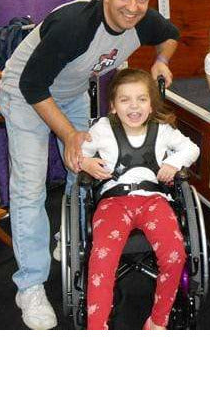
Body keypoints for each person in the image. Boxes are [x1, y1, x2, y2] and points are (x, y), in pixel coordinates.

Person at [0, 0, 180, 330]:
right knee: (30, 189)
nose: (132, 7)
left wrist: (161, 59)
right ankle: (30, 285)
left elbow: (171, 33)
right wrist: (69, 135)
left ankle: (67, 235)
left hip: (72, 93)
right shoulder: (75, 26)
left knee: (83, 173)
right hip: (26, 93)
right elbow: (32, 85)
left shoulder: (142, 18)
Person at [79, 68, 199, 330]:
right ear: (113, 106)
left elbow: (192, 148)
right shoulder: (102, 129)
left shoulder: (162, 129)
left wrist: (174, 162)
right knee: (101, 259)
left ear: (151, 104)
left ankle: (157, 321)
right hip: (113, 202)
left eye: (141, 99)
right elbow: (78, 153)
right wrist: (85, 163)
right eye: (125, 100)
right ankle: (96, 327)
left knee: (175, 254)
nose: (134, 106)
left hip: (154, 200)